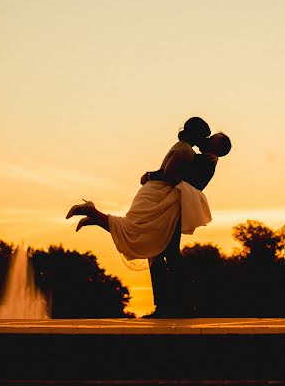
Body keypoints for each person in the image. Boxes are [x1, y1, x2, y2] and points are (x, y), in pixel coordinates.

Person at [65, 118, 231, 315]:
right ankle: (175, 304)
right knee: (154, 246)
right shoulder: (189, 152)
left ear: (220, 148)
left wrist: (151, 176)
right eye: (208, 137)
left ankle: (174, 304)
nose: (208, 140)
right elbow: (172, 174)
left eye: (213, 139)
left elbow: (173, 176)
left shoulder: (202, 157)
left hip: (169, 202)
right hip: (166, 201)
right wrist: (153, 176)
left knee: (154, 245)